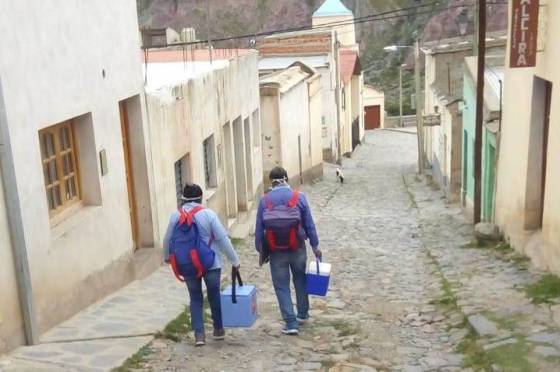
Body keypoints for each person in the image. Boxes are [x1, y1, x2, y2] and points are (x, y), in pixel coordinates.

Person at [163, 183, 240, 347]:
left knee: (195, 298)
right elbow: (222, 239)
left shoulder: (175, 216)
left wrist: (167, 258)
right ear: (200, 197)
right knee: (214, 295)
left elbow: (167, 239)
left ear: (183, 198)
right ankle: (218, 329)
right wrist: (234, 260)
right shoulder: (208, 214)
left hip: (187, 264)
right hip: (210, 263)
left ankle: (199, 335)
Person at [255, 167, 321, 335]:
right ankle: (303, 314)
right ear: (286, 179)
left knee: (281, 286)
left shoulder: (265, 201)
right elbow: (309, 224)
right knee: (300, 280)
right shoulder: (299, 197)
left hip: (276, 250)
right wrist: (315, 246)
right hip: (297, 247)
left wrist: (262, 251)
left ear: (271, 182)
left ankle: (291, 323)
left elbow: (259, 228)